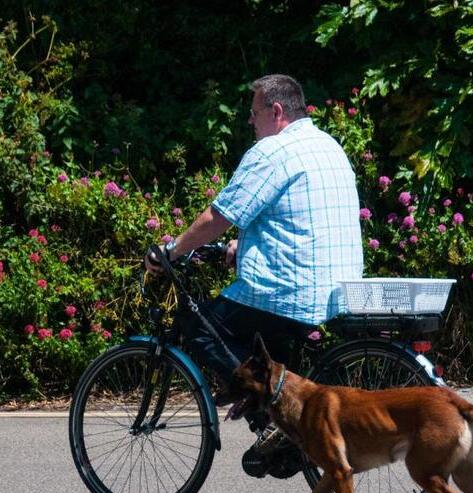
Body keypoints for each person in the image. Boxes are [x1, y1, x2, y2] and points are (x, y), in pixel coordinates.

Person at [145, 74, 363, 406]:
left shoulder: (273, 149)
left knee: (201, 327)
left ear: (276, 111)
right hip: (335, 290)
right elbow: (300, 219)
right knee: (267, 351)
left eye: (254, 112)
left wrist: (171, 252)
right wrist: (242, 245)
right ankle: (286, 438)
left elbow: (219, 217)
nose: (250, 120)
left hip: (290, 292)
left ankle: (272, 411)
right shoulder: (328, 145)